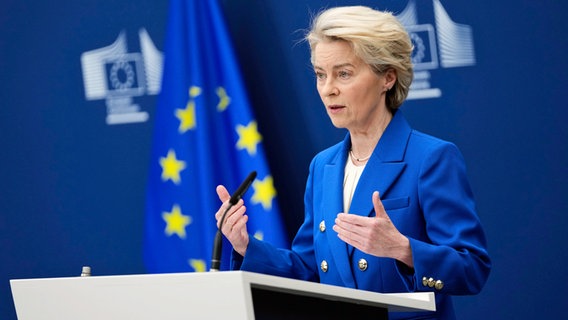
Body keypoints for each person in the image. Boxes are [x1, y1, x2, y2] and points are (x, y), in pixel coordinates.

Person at [214, 5, 491, 319]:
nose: (328, 88)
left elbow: (472, 269)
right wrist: (244, 245)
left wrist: (403, 249)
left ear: (387, 77)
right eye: (321, 74)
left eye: (343, 73)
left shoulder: (431, 158)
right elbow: (308, 270)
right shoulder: (323, 166)